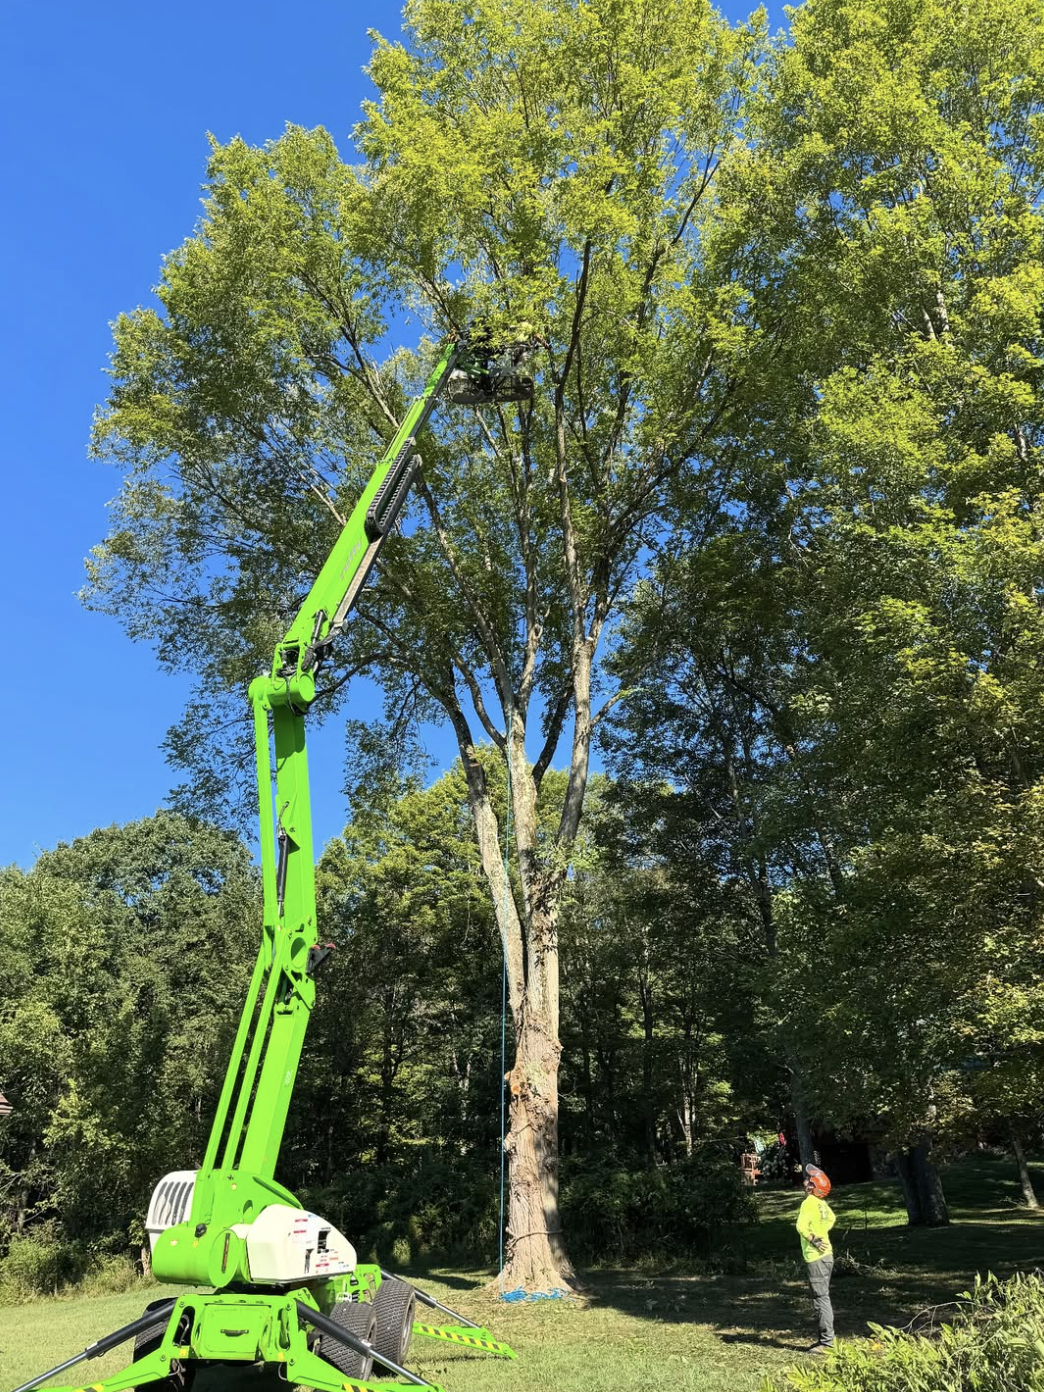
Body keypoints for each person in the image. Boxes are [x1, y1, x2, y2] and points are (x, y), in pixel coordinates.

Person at [796, 1163, 836, 1353]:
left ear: (813, 1187)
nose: (805, 1183)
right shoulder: (822, 1204)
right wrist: (821, 1231)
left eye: (808, 1181)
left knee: (821, 1299)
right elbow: (831, 1219)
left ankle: (827, 1343)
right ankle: (825, 1340)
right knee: (823, 1297)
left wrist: (813, 1239)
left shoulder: (808, 1203)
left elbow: (801, 1227)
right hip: (828, 1257)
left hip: (816, 1257)